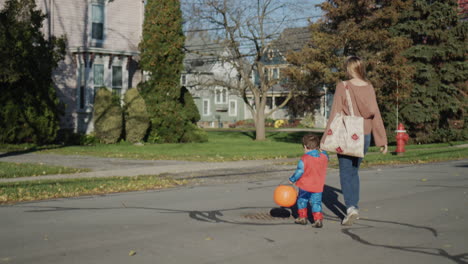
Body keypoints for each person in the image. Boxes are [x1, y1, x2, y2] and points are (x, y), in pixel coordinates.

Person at [321, 56, 388, 226]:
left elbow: (335, 114)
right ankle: (353, 206)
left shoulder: (343, 86)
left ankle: (351, 207)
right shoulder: (369, 87)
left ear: (349, 69)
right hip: (363, 136)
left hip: (346, 134)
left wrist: (324, 141)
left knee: (345, 172)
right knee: (354, 171)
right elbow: (376, 113)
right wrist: (381, 140)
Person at [289, 134, 329, 228]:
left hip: (305, 185)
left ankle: (302, 217)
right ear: (317, 146)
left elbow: (300, 171)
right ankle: (318, 219)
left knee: (302, 200)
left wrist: (292, 179)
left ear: (305, 147)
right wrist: (322, 151)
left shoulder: (304, 159)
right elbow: (326, 155)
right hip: (318, 186)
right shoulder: (323, 157)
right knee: (316, 202)